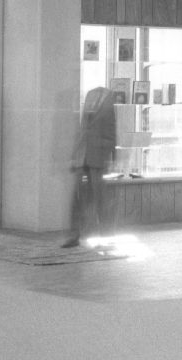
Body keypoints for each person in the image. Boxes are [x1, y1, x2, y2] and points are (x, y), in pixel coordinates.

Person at [63, 86, 118, 248]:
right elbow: (82, 131)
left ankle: (105, 236)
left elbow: (111, 133)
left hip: (98, 158)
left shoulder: (108, 102)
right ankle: (75, 234)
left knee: (100, 199)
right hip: (83, 157)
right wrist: (75, 156)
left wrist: (109, 156)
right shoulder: (89, 99)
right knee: (77, 198)